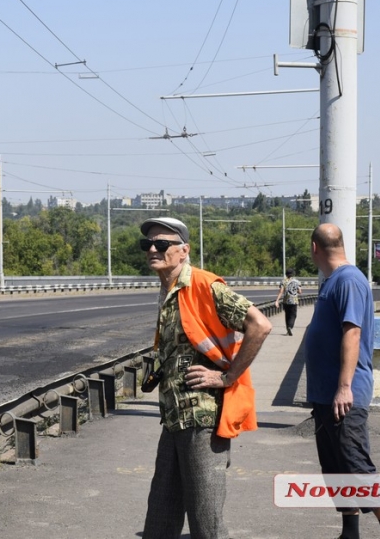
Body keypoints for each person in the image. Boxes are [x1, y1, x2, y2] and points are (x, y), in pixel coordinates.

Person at [139, 217, 272, 539]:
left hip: (202, 416)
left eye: (162, 244)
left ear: (183, 250)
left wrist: (227, 377)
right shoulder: (168, 288)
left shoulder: (204, 284)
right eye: (148, 244)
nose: (152, 249)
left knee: (205, 516)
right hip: (173, 417)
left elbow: (260, 325)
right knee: (161, 512)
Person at [304, 224, 380, 539]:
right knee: (335, 468)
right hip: (325, 394)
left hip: (344, 392)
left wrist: (344, 386)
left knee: (356, 464)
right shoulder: (333, 281)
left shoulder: (348, 280)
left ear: (314, 248)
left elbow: (353, 332)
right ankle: (350, 532)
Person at [274, 268, 302, 336]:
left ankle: (287, 329)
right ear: (293, 274)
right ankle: (290, 327)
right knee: (293, 315)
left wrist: (277, 300)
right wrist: (295, 291)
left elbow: (281, 291)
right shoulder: (297, 281)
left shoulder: (283, 281)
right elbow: (300, 291)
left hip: (286, 301)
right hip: (294, 301)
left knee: (287, 315)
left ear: (286, 274)